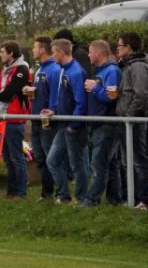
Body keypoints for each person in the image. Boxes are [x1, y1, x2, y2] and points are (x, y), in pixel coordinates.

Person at [45, 39, 89, 204]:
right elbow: (62, 96)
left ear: (61, 53)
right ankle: (64, 196)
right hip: (64, 124)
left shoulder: (76, 72)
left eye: (54, 52)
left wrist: (74, 125)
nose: (52, 55)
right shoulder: (64, 70)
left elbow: (81, 102)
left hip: (73, 126)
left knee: (76, 163)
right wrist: (54, 110)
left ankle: (81, 197)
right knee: (53, 160)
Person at [80, 40, 122, 207]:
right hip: (99, 124)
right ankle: (115, 200)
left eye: (90, 52)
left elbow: (112, 97)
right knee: (111, 164)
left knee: (98, 163)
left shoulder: (112, 71)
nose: (88, 55)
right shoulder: (99, 71)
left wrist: (95, 88)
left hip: (107, 123)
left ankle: (92, 200)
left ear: (98, 53)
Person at [0, 41, 31, 199]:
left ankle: (20, 192)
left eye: (2, 52)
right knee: (7, 157)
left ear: (11, 53)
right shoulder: (4, 69)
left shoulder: (22, 69)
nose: (0, 55)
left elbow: (8, 94)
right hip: (0, 118)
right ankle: (11, 191)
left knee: (16, 157)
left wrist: (1, 92)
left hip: (14, 119)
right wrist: (2, 91)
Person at [22, 37, 61, 202]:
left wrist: (52, 113)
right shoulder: (39, 70)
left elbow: (56, 94)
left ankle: (61, 193)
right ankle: (46, 193)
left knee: (50, 158)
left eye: (35, 47)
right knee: (40, 157)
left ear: (42, 50)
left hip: (47, 121)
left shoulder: (54, 69)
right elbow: (42, 92)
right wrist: (31, 92)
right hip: (36, 119)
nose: (32, 50)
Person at [116, 32, 148, 210]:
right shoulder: (127, 66)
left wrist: (129, 115)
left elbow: (141, 93)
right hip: (126, 121)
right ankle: (133, 199)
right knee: (127, 161)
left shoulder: (137, 67)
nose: (117, 48)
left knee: (138, 161)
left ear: (128, 47)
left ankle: (144, 199)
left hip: (133, 122)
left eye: (119, 45)